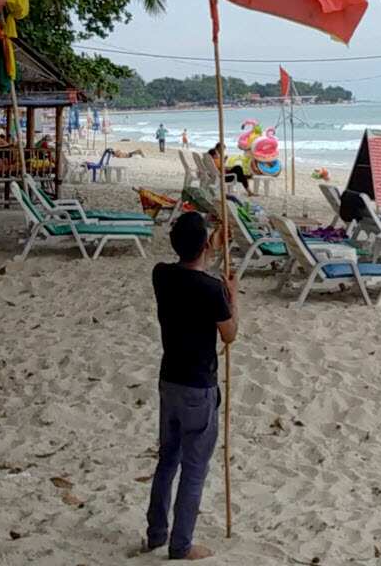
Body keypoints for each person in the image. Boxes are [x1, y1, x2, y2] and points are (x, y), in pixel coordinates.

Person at [144, 213, 238, 560]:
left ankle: (156, 533)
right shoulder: (212, 290)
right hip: (198, 387)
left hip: (169, 380)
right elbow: (229, 335)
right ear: (202, 246)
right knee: (194, 469)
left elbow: (191, 260)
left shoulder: (161, 275)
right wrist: (233, 298)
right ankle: (180, 545)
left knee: (167, 460)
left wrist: (212, 242)